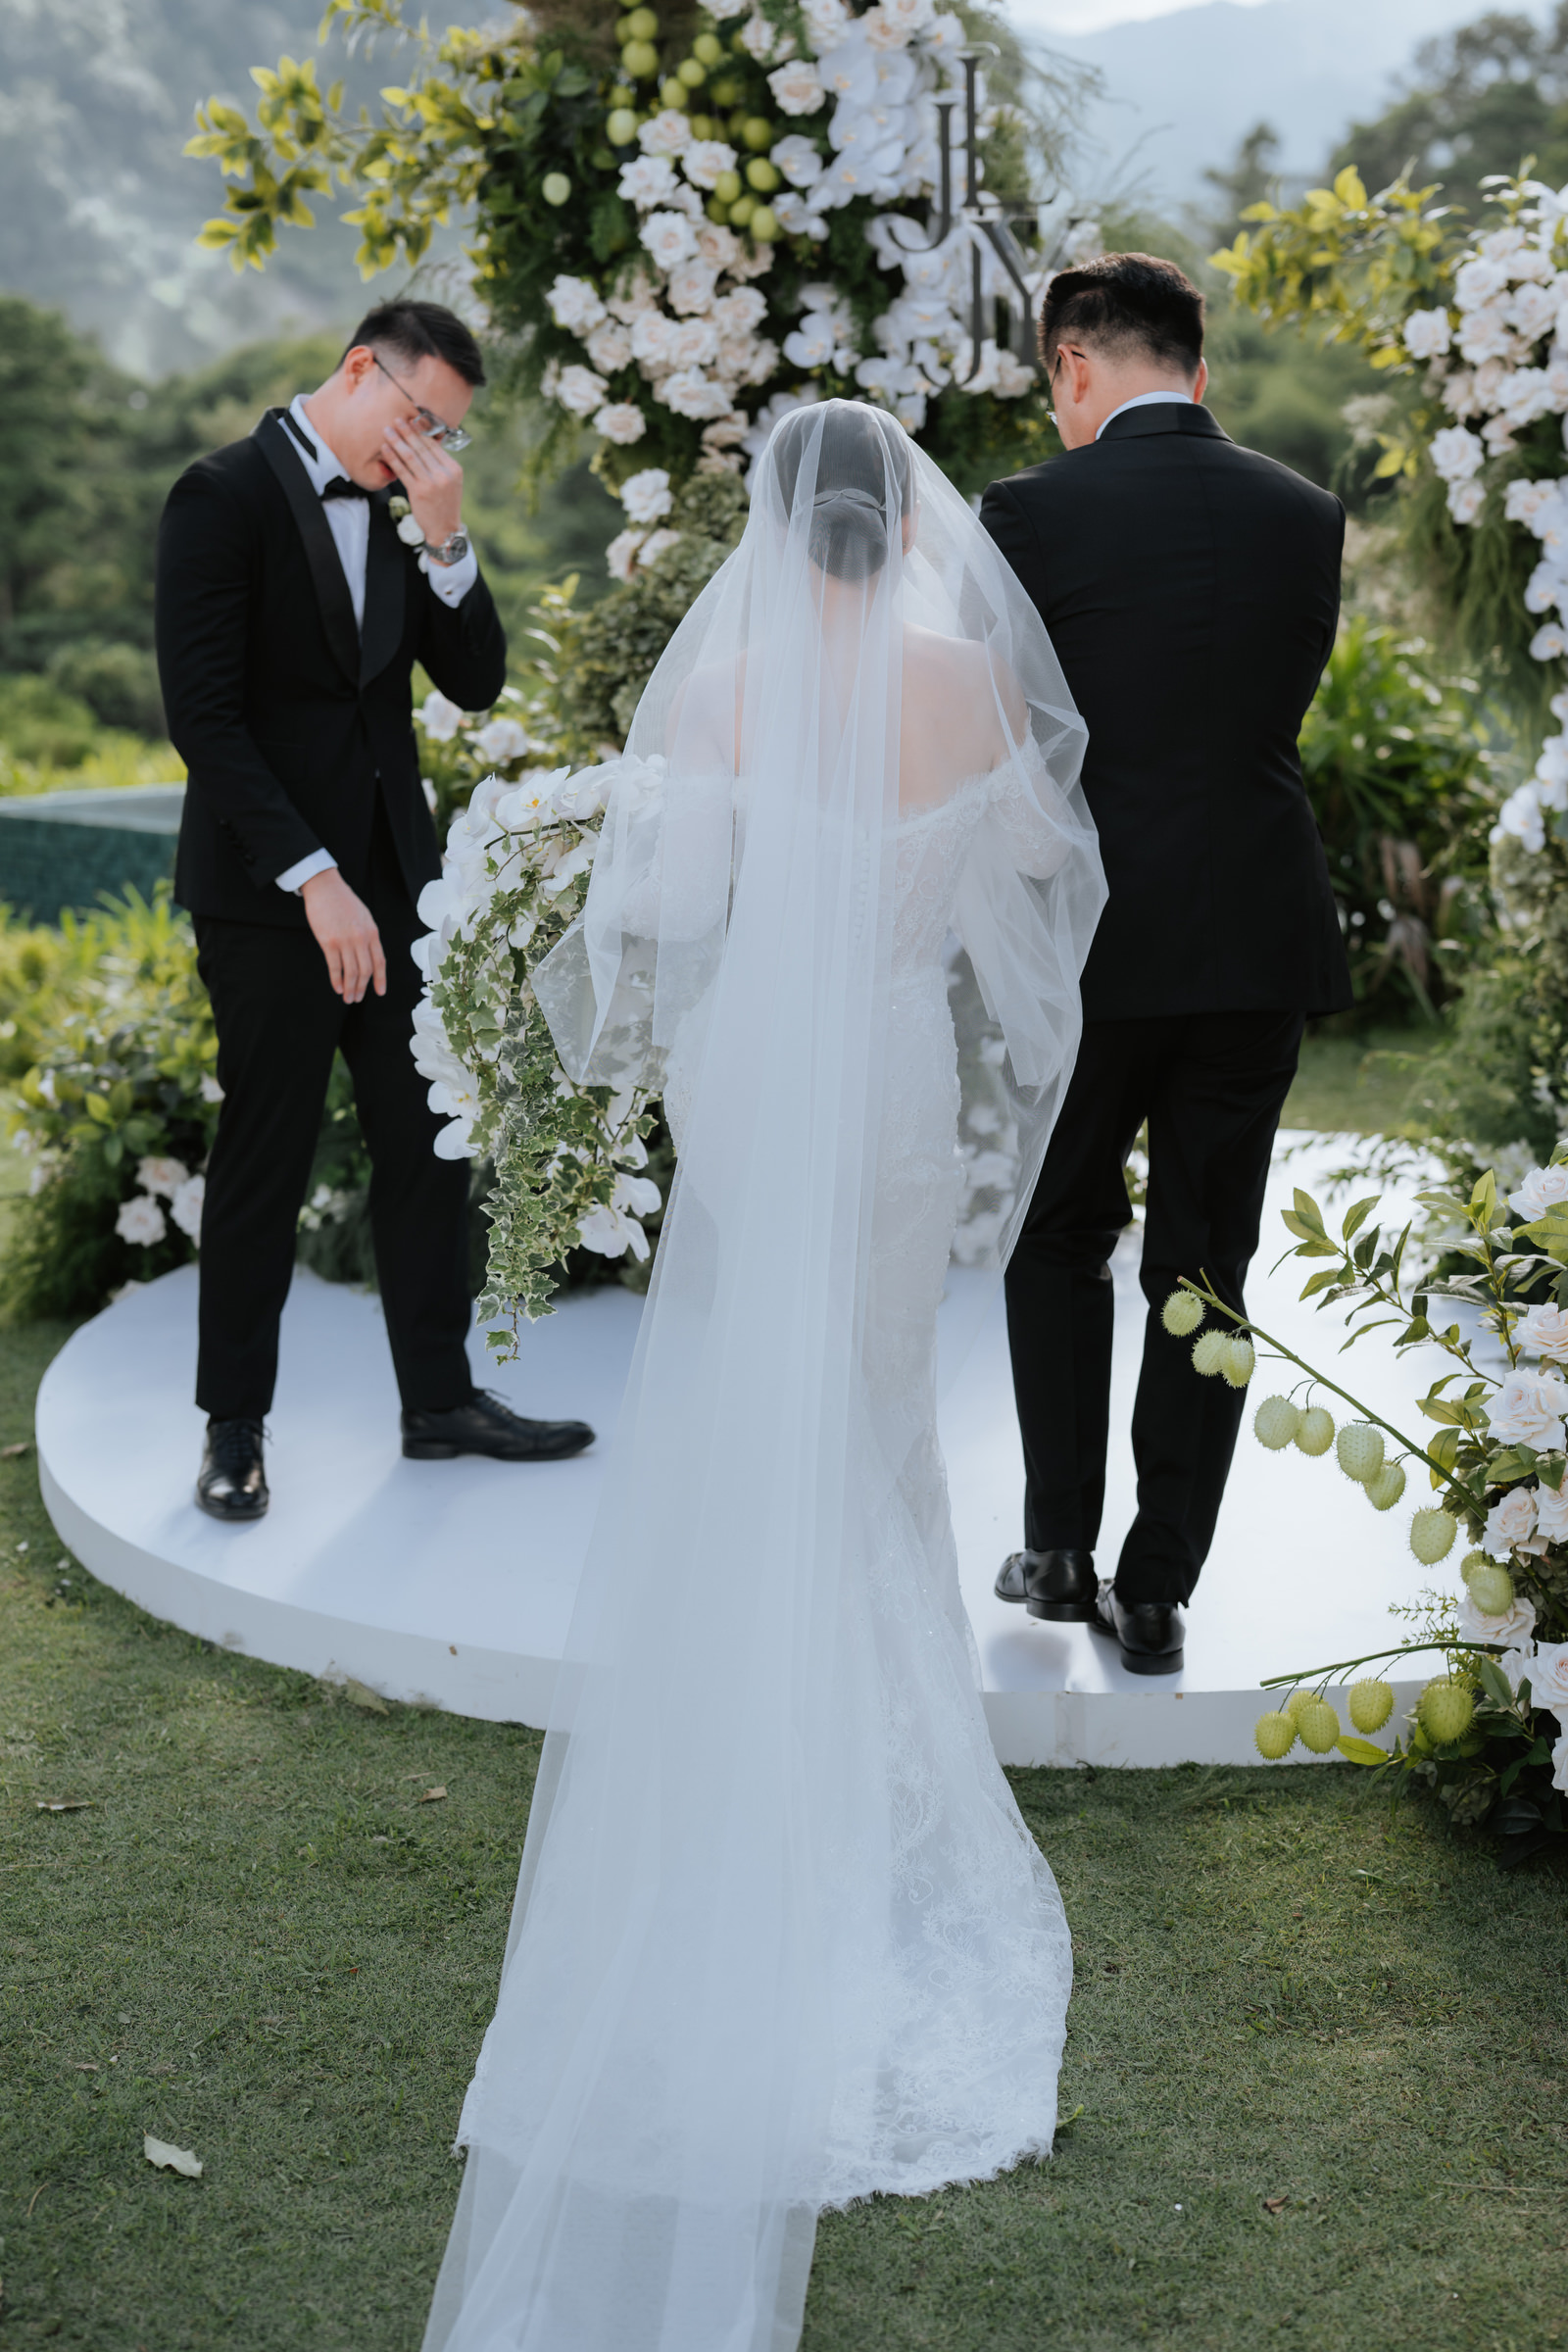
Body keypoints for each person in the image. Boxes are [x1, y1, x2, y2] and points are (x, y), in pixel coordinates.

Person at [419, 402, 1105, 2352]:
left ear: (769, 524)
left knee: (754, 1431)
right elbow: (1035, 888)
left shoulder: (715, 689)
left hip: (749, 1094)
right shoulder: (974, 681)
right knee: (872, 1436)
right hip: (886, 1083)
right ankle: (877, 1792)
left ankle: (747, 1777)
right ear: (910, 529)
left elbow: (653, 926)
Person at [155, 300, 593, 1523]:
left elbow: (473, 681)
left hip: (396, 887)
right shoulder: (220, 495)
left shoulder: (412, 505)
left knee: (426, 1144)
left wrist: (448, 542)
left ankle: (439, 1401)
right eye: (415, 420)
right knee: (266, 1153)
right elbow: (206, 719)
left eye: (445, 434)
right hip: (268, 894)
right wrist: (312, 875)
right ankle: (233, 1428)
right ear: (358, 371)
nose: (424, 451)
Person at [981, 252, 1351, 1676]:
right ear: (1194, 361)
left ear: (1074, 363)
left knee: (1055, 1231)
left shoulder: (1029, 512)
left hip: (1093, 943)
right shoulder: (1304, 514)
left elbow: (1012, 738)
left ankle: (1059, 1547)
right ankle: (1158, 1590)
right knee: (1210, 1264)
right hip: (1258, 935)